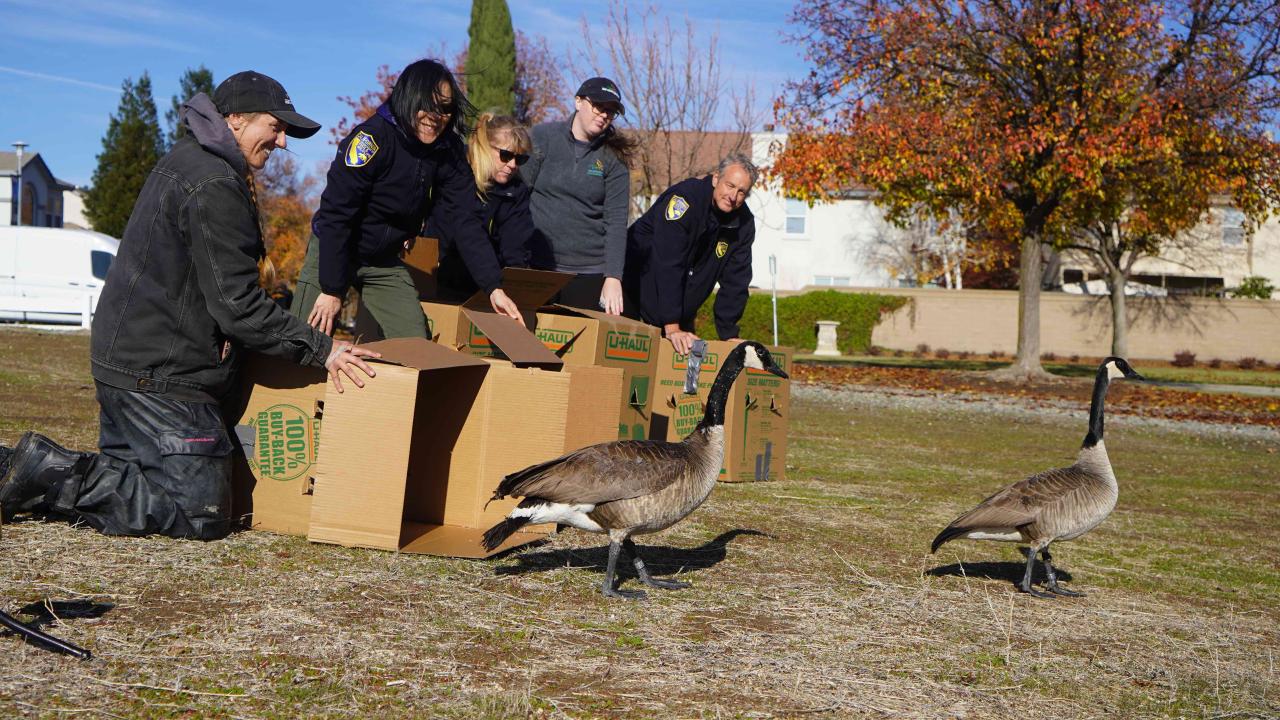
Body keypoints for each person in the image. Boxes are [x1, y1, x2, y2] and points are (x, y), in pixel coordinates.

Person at [0, 71, 380, 540]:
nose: (282, 142)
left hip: (138, 361)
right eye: (275, 127)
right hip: (159, 375)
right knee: (196, 512)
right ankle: (38, 468)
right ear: (236, 120)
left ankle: (29, 468)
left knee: (139, 480)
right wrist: (325, 350)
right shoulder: (214, 181)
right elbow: (237, 305)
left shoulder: (193, 161)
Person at [291, 59, 522, 336]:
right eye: (427, 104)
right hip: (337, 246)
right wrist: (331, 289)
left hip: (383, 259)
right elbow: (336, 215)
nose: (435, 116)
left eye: (445, 108)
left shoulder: (448, 152)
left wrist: (493, 287)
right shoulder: (372, 139)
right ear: (407, 98)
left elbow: (465, 220)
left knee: (416, 345)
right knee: (304, 341)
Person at [623, 152, 759, 354]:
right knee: (628, 357)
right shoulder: (684, 200)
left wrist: (729, 334)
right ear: (715, 178)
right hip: (633, 286)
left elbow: (736, 281)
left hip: (677, 305)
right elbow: (669, 262)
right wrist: (672, 326)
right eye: (730, 186)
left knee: (681, 366)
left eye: (741, 192)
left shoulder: (744, 224)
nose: (733, 196)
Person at [523, 77, 636, 314]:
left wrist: (613, 277)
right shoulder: (542, 137)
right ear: (578, 102)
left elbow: (615, 222)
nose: (604, 115)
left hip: (588, 272)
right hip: (536, 266)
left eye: (611, 111)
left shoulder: (614, 158)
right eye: (599, 106)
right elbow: (518, 196)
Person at [435, 113, 535, 298]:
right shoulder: (454, 173)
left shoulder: (516, 191)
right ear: (484, 146)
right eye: (505, 155)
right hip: (438, 267)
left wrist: (519, 287)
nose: (513, 165)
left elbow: (516, 244)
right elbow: (465, 229)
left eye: (520, 159)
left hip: (481, 277)